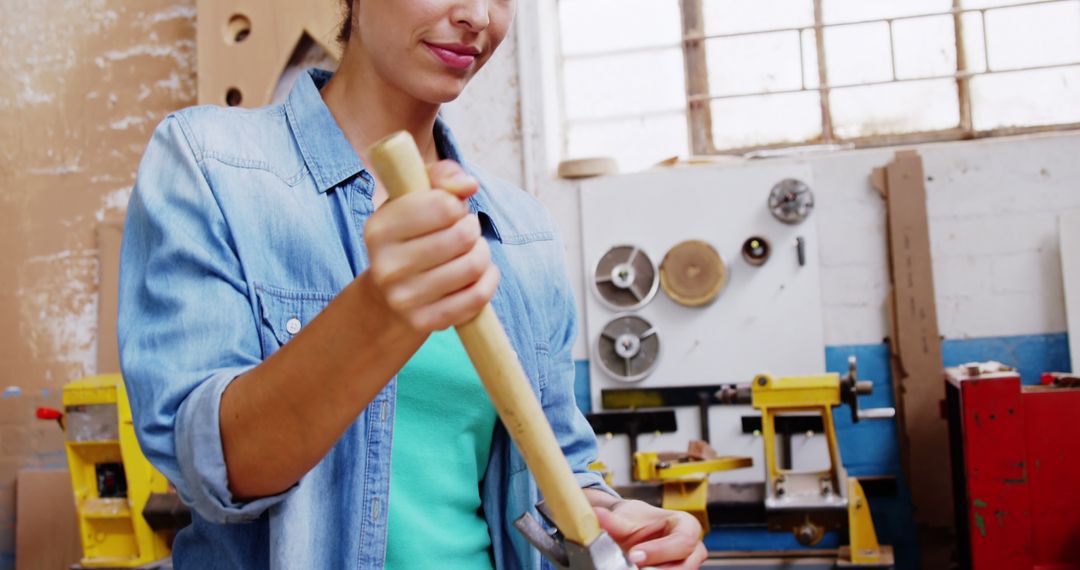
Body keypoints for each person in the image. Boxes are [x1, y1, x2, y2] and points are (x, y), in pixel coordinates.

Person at [118, 0, 707, 568]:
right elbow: (211, 469)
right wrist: (377, 314)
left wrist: (617, 525)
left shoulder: (523, 232)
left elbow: (557, 465)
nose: (477, 16)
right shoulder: (211, 164)